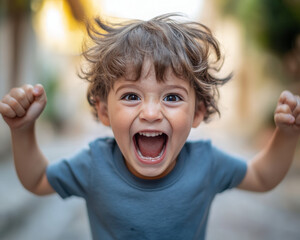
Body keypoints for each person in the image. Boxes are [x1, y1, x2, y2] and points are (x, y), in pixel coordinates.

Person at [0, 13, 299, 240]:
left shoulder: (206, 163)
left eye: (171, 97)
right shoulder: (95, 163)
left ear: (198, 112)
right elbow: (37, 180)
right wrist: (23, 130)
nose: (152, 112)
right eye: (131, 96)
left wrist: (286, 134)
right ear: (104, 111)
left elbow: (262, 177)